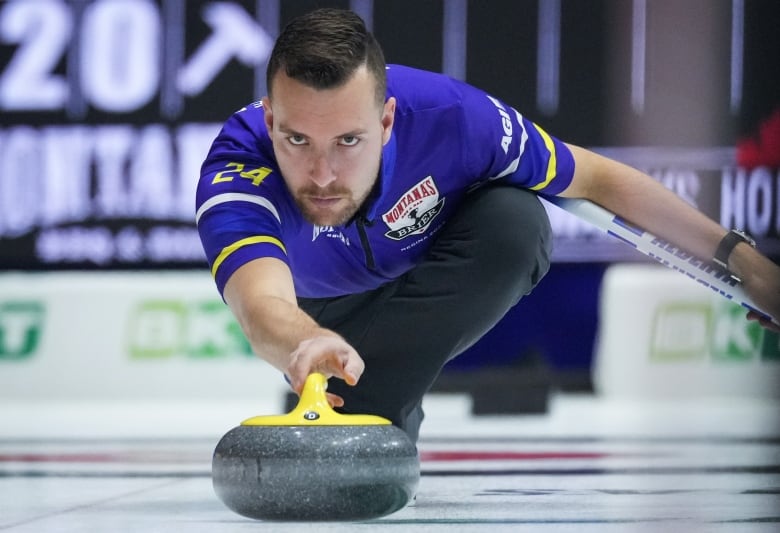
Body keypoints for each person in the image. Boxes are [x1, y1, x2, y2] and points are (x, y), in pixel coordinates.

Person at [196, 8, 780, 442]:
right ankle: (358, 391)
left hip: (426, 281)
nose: (322, 174)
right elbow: (261, 300)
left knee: (516, 220)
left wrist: (744, 260)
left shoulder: (455, 120)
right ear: (270, 120)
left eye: (349, 141)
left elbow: (600, 181)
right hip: (318, 313)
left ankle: (370, 402)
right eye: (297, 140)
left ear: (389, 118)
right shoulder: (239, 163)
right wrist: (305, 342)